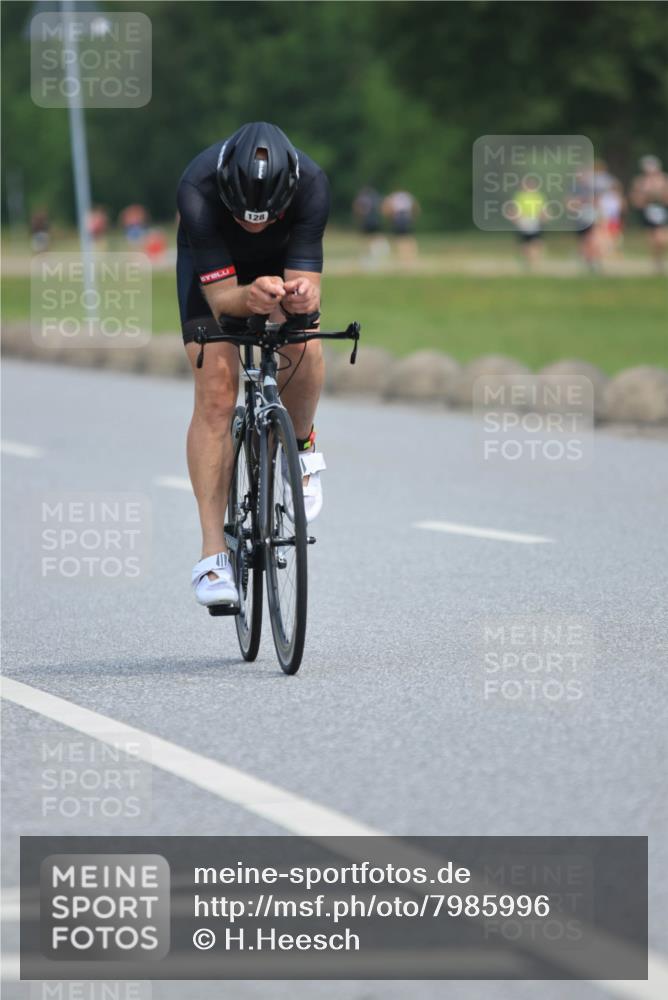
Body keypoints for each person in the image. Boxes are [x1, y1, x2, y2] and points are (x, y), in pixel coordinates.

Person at [176, 122, 329, 609]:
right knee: (217, 395)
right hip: (213, 273)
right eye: (244, 215)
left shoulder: (312, 185)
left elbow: (308, 282)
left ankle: (301, 449)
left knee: (305, 339)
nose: (255, 224)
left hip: (280, 264)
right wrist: (250, 294)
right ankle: (212, 556)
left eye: (266, 216)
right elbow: (223, 300)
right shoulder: (196, 187)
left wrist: (301, 294)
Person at [630, 155, 668, 272]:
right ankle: (657, 261)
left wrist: (658, 195)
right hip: (649, 212)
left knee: (661, 238)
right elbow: (635, 199)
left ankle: (658, 260)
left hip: (662, 210)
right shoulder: (640, 181)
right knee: (654, 239)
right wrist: (644, 199)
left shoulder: (663, 179)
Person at [505, 175, 546, 270]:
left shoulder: (538, 196)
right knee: (525, 245)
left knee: (536, 243)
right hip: (523, 222)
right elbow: (514, 209)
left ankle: (534, 263)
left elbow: (542, 209)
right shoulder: (519, 196)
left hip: (535, 222)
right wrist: (515, 218)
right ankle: (528, 262)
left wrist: (543, 216)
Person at [382, 190, 420, 262]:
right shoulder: (407, 196)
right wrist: (413, 217)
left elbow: (388, 208)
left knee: (399, 237)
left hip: (399, 217)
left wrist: (390, 218)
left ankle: (402, 255)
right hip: (407, 217)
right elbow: (416, 207)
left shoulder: (394, 197)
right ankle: (411, 255)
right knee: (408, 236)